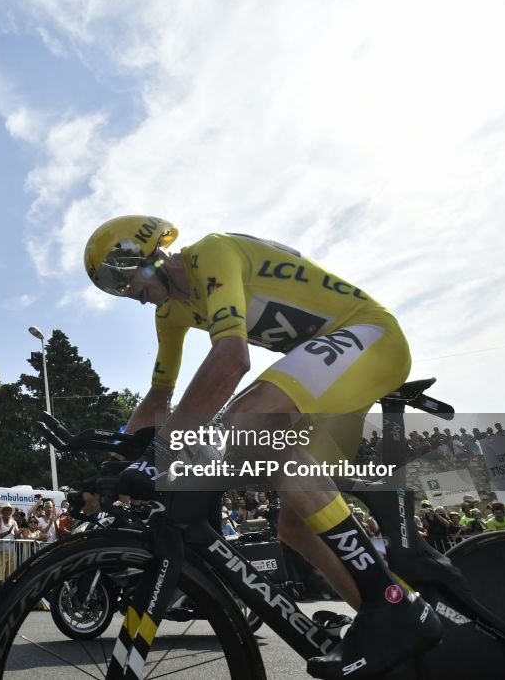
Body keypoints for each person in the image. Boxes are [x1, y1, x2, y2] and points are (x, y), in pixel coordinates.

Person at [86, 215, 441, 678]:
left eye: (121, 280)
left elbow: (232, 358)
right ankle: (391, 633)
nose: (127, 295)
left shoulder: (211, 254)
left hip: (371, 336)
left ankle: (392, 603)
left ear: (143, 254)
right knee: (294, 526)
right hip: (333, 369)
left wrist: (165, 450)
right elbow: (158, 398)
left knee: (248, 417)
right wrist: (111, 468)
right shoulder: (170, 313)